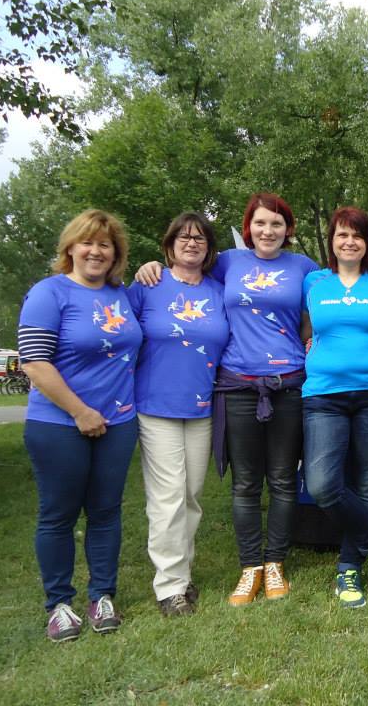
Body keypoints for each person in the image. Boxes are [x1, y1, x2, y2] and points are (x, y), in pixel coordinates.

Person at [136, 193, 318, 605]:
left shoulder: (304, 267)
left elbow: (334, 293)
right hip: (236, 387)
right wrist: (151, 266)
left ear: (288, 229)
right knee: (246, 483)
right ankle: (250, 567)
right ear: (248, 227)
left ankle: (275, 564)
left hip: (288, 384)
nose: (267, 231)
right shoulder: (228, 263)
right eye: (260, 223)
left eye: (276, 223)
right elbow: (185, 269)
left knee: (283, 479)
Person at [18, 210, 143, 642]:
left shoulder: (122, 296)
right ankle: (59, 604)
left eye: (105, 244)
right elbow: (35, 362)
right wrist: (80, 412)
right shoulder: (48, 293)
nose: (95, 251)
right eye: (87, 242)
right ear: (70, 247)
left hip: (119, 421)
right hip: (58, 423)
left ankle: (102, 596)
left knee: (106, 511)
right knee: (58, 514)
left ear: (115, 253)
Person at [300, 207, 368, 608]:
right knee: (322, 485)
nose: (349, 242)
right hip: (324, 395)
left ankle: (348, 568)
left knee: (367, 484)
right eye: (342, 234)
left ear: (367, 243)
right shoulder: (313, 282)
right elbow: (304, 326)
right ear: (331, 241)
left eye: (357, 235)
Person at [128, 213, 230, 617]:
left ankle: (182, 574)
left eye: (199, 238)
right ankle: (170, 586)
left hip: (202, 406)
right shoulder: (147, 286)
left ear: (209, 248)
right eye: (183, 237)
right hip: (156, 406)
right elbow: (120, 336)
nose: (191, 243)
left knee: (191, 495)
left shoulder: (219, 291)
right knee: (168, 496)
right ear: (169, 245)